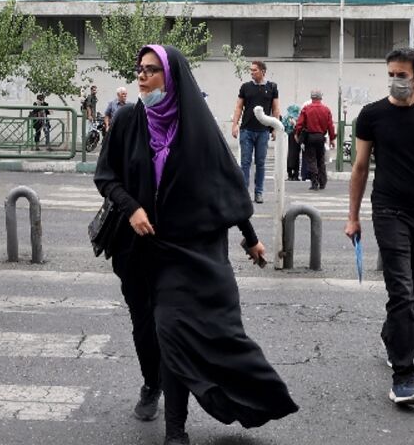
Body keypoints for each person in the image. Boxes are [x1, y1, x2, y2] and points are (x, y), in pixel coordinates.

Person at [94, 45, 298, 445]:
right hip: (137, 250)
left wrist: (251, 238)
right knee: (144, 326)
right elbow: (106, 177)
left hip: (186, 252)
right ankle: (151, 382)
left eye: (151, 71)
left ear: (172, 79)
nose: (142, 77)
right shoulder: (127, 123)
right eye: (139, 70)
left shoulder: (197, 128)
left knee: (171, 329)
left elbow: (227, 186)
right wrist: (132, 207)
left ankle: (176, 430)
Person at [345, 48, 414, 405]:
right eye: (391, 73)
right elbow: (360, 168)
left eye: (402, 75)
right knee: (402, 291)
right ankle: (404, 376)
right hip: (388, 210)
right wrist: (353, 216)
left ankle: (392, 333)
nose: (396, 80)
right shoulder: (372, 115)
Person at [231, 61, 280, 204]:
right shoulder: (245, 87)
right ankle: (244, 192)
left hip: (263, 131)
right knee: (245, 162)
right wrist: (235, 125)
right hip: (246, 130)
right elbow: (238, 107)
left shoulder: (272, 87)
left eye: (255, 70)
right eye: (251, 70)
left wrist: (275, 127)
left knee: (260, 163)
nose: (252, 72)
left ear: (263, 71)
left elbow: (276, 109)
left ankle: (259, 192)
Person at [296, 90, 336, 191]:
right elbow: (330, 126)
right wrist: (332, 139)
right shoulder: (326, 110)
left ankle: (314, 182)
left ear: (312, 98)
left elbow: (300, 124)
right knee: (320, 160)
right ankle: (322, 182)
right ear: (320, 98)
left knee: (311, 160)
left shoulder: (306, 109)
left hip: (310, 137)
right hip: (321, 137)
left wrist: (297, 134)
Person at [282, 104, 302, 181]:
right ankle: (296, 175)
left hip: (287, 136)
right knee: (296, 155)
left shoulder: (287, 117)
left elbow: (282, 126)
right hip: (297, 136)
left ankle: (289, 174)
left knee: (289, 155)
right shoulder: (299, 117)